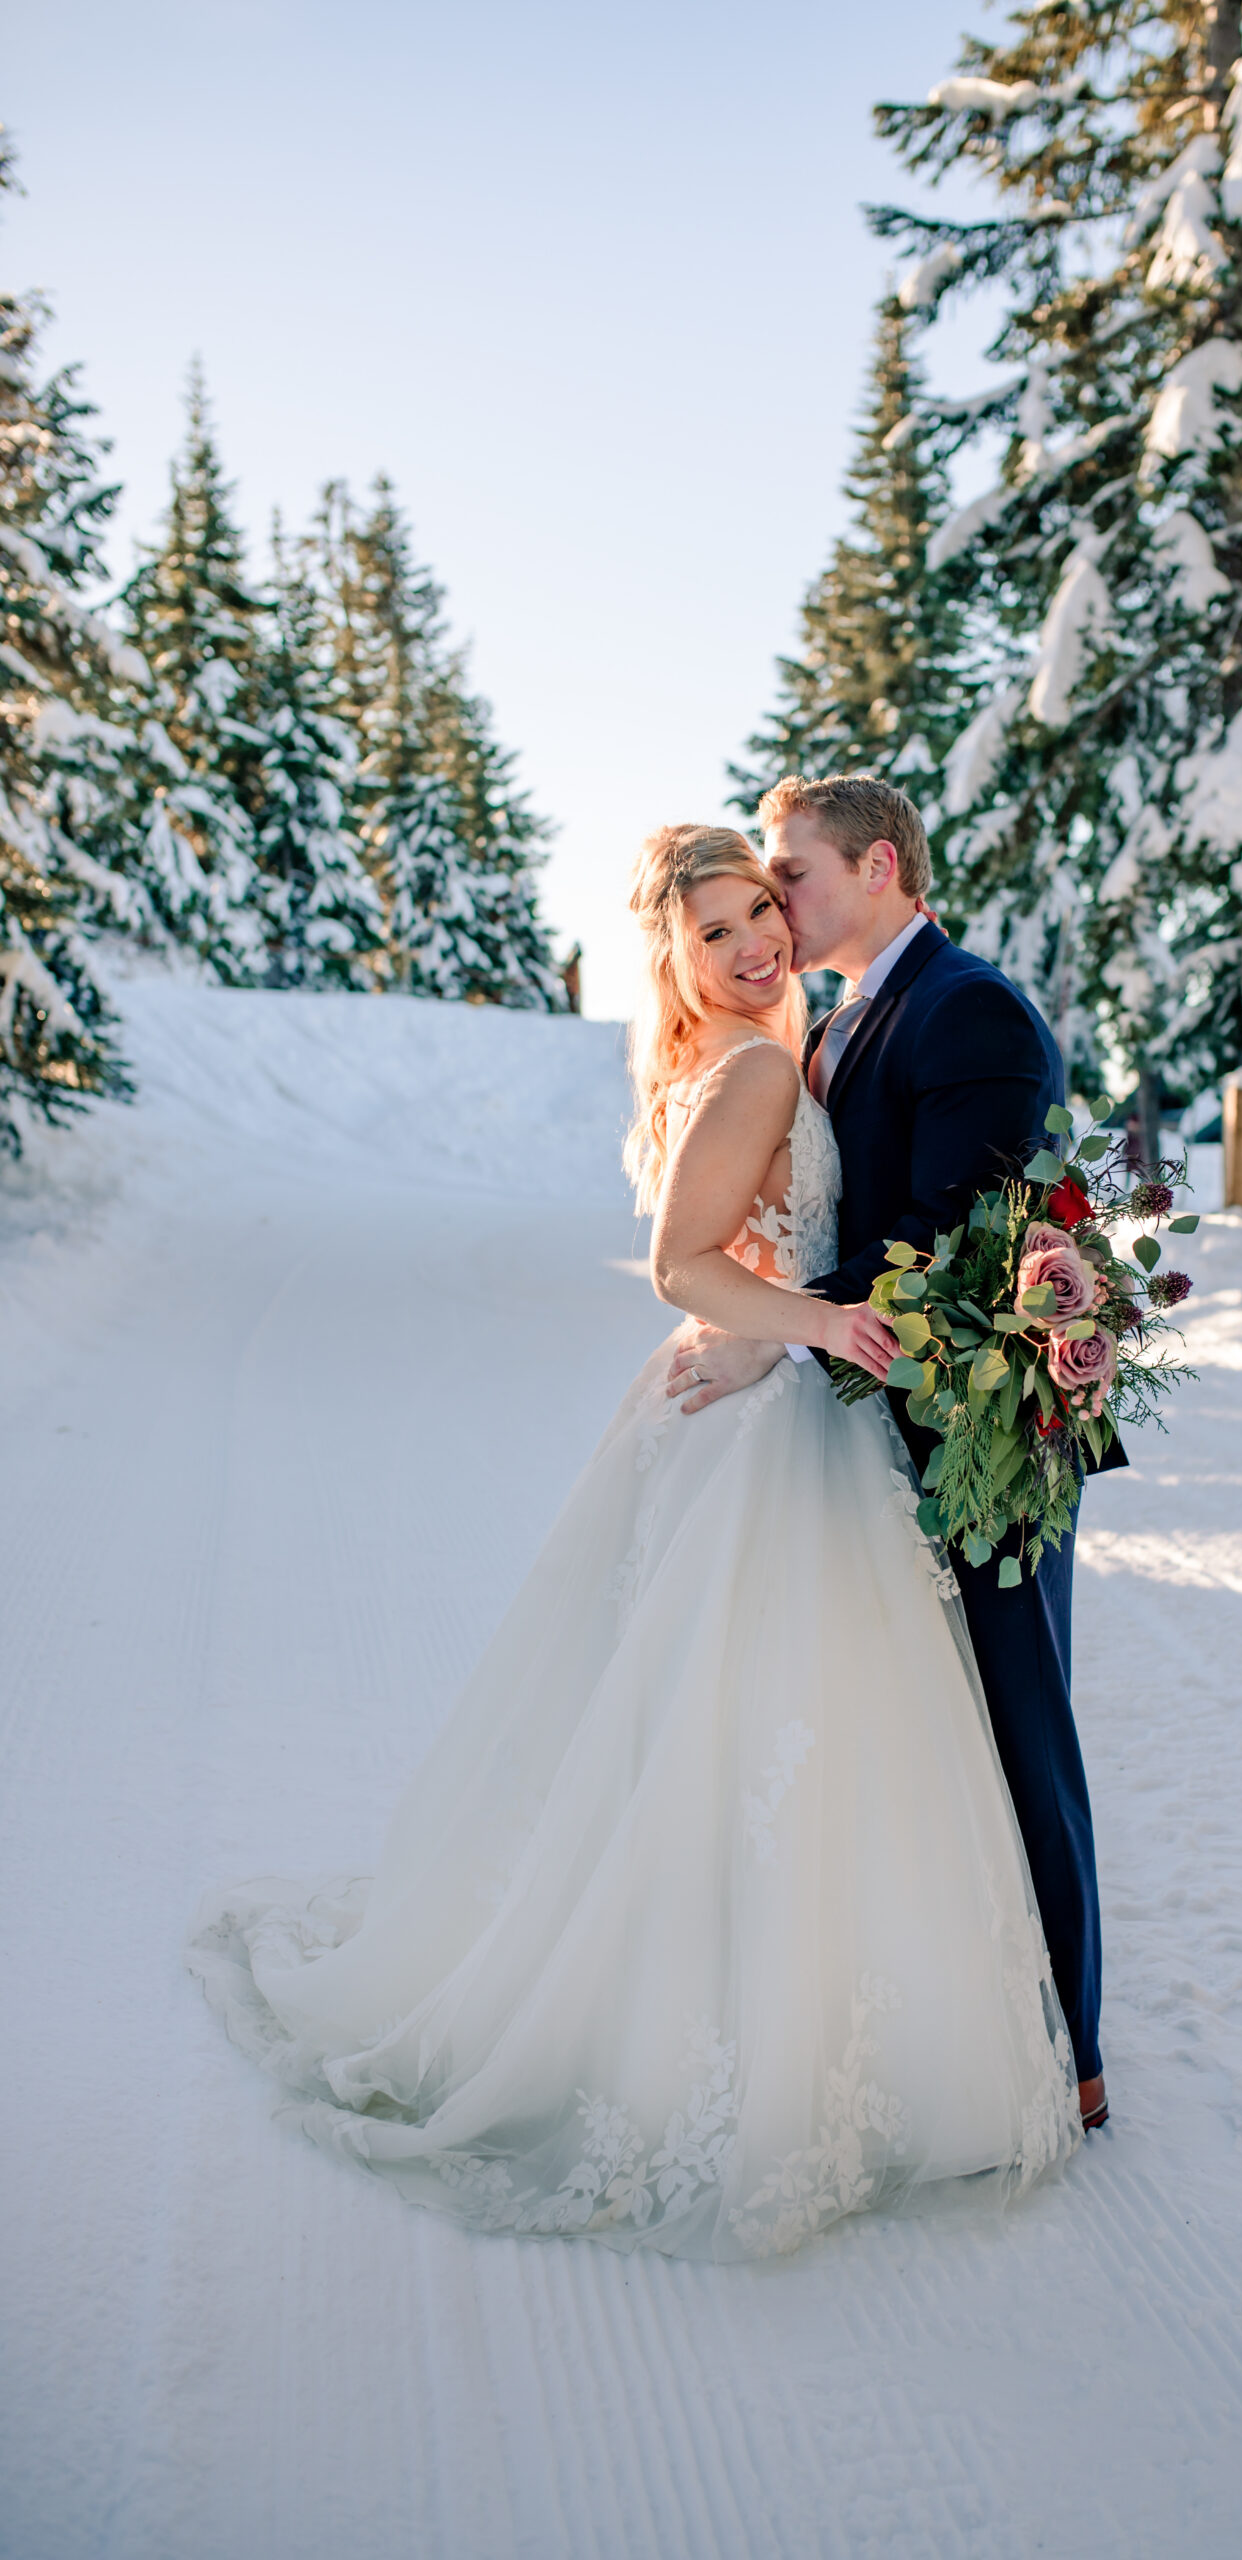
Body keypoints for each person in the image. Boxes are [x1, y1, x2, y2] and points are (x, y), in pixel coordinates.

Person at [188, 822, 1079, 2261]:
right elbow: (683, 1264)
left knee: (784, 1738)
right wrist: (806, 1330)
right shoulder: (748, 1064)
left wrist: (779, 1333)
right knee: (749, 1729)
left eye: (759, 912)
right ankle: (716, 2038)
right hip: (775, 1425)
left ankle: (804, 2017)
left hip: (789, 1405)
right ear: (677, 961)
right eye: (718, 931)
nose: (754, 943)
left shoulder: (796, 1042)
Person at [666, 775, 1114, 2131]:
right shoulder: (846, 1019)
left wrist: (778, 1332)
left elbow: (936, 1233)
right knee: (924, 1740)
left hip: (982, 1432)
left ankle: (1070, 2049)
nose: (776, 909)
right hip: (881, 1418)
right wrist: (782, 1310)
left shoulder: (965, 1007)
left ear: (875, 868)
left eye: (789, 877)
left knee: (1020, 1731)